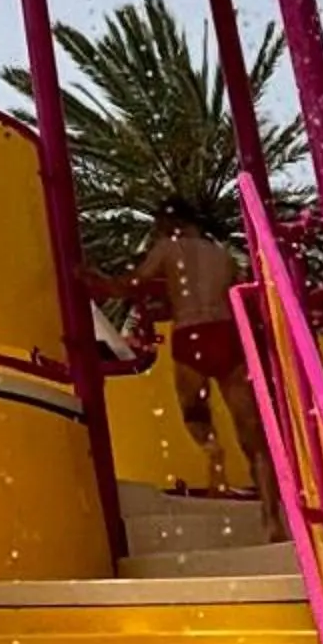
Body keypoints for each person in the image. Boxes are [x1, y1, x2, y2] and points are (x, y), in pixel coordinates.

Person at [103, 207, 278, 525]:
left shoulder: (169, 247)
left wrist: (95, 281)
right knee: (252, 432)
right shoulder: (222, 255)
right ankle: (272, 516)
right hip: (226, 334)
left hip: (191, 332)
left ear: (172, 225)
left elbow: (132, 284)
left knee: (194, 413)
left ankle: (213, 452)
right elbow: (240, 292)